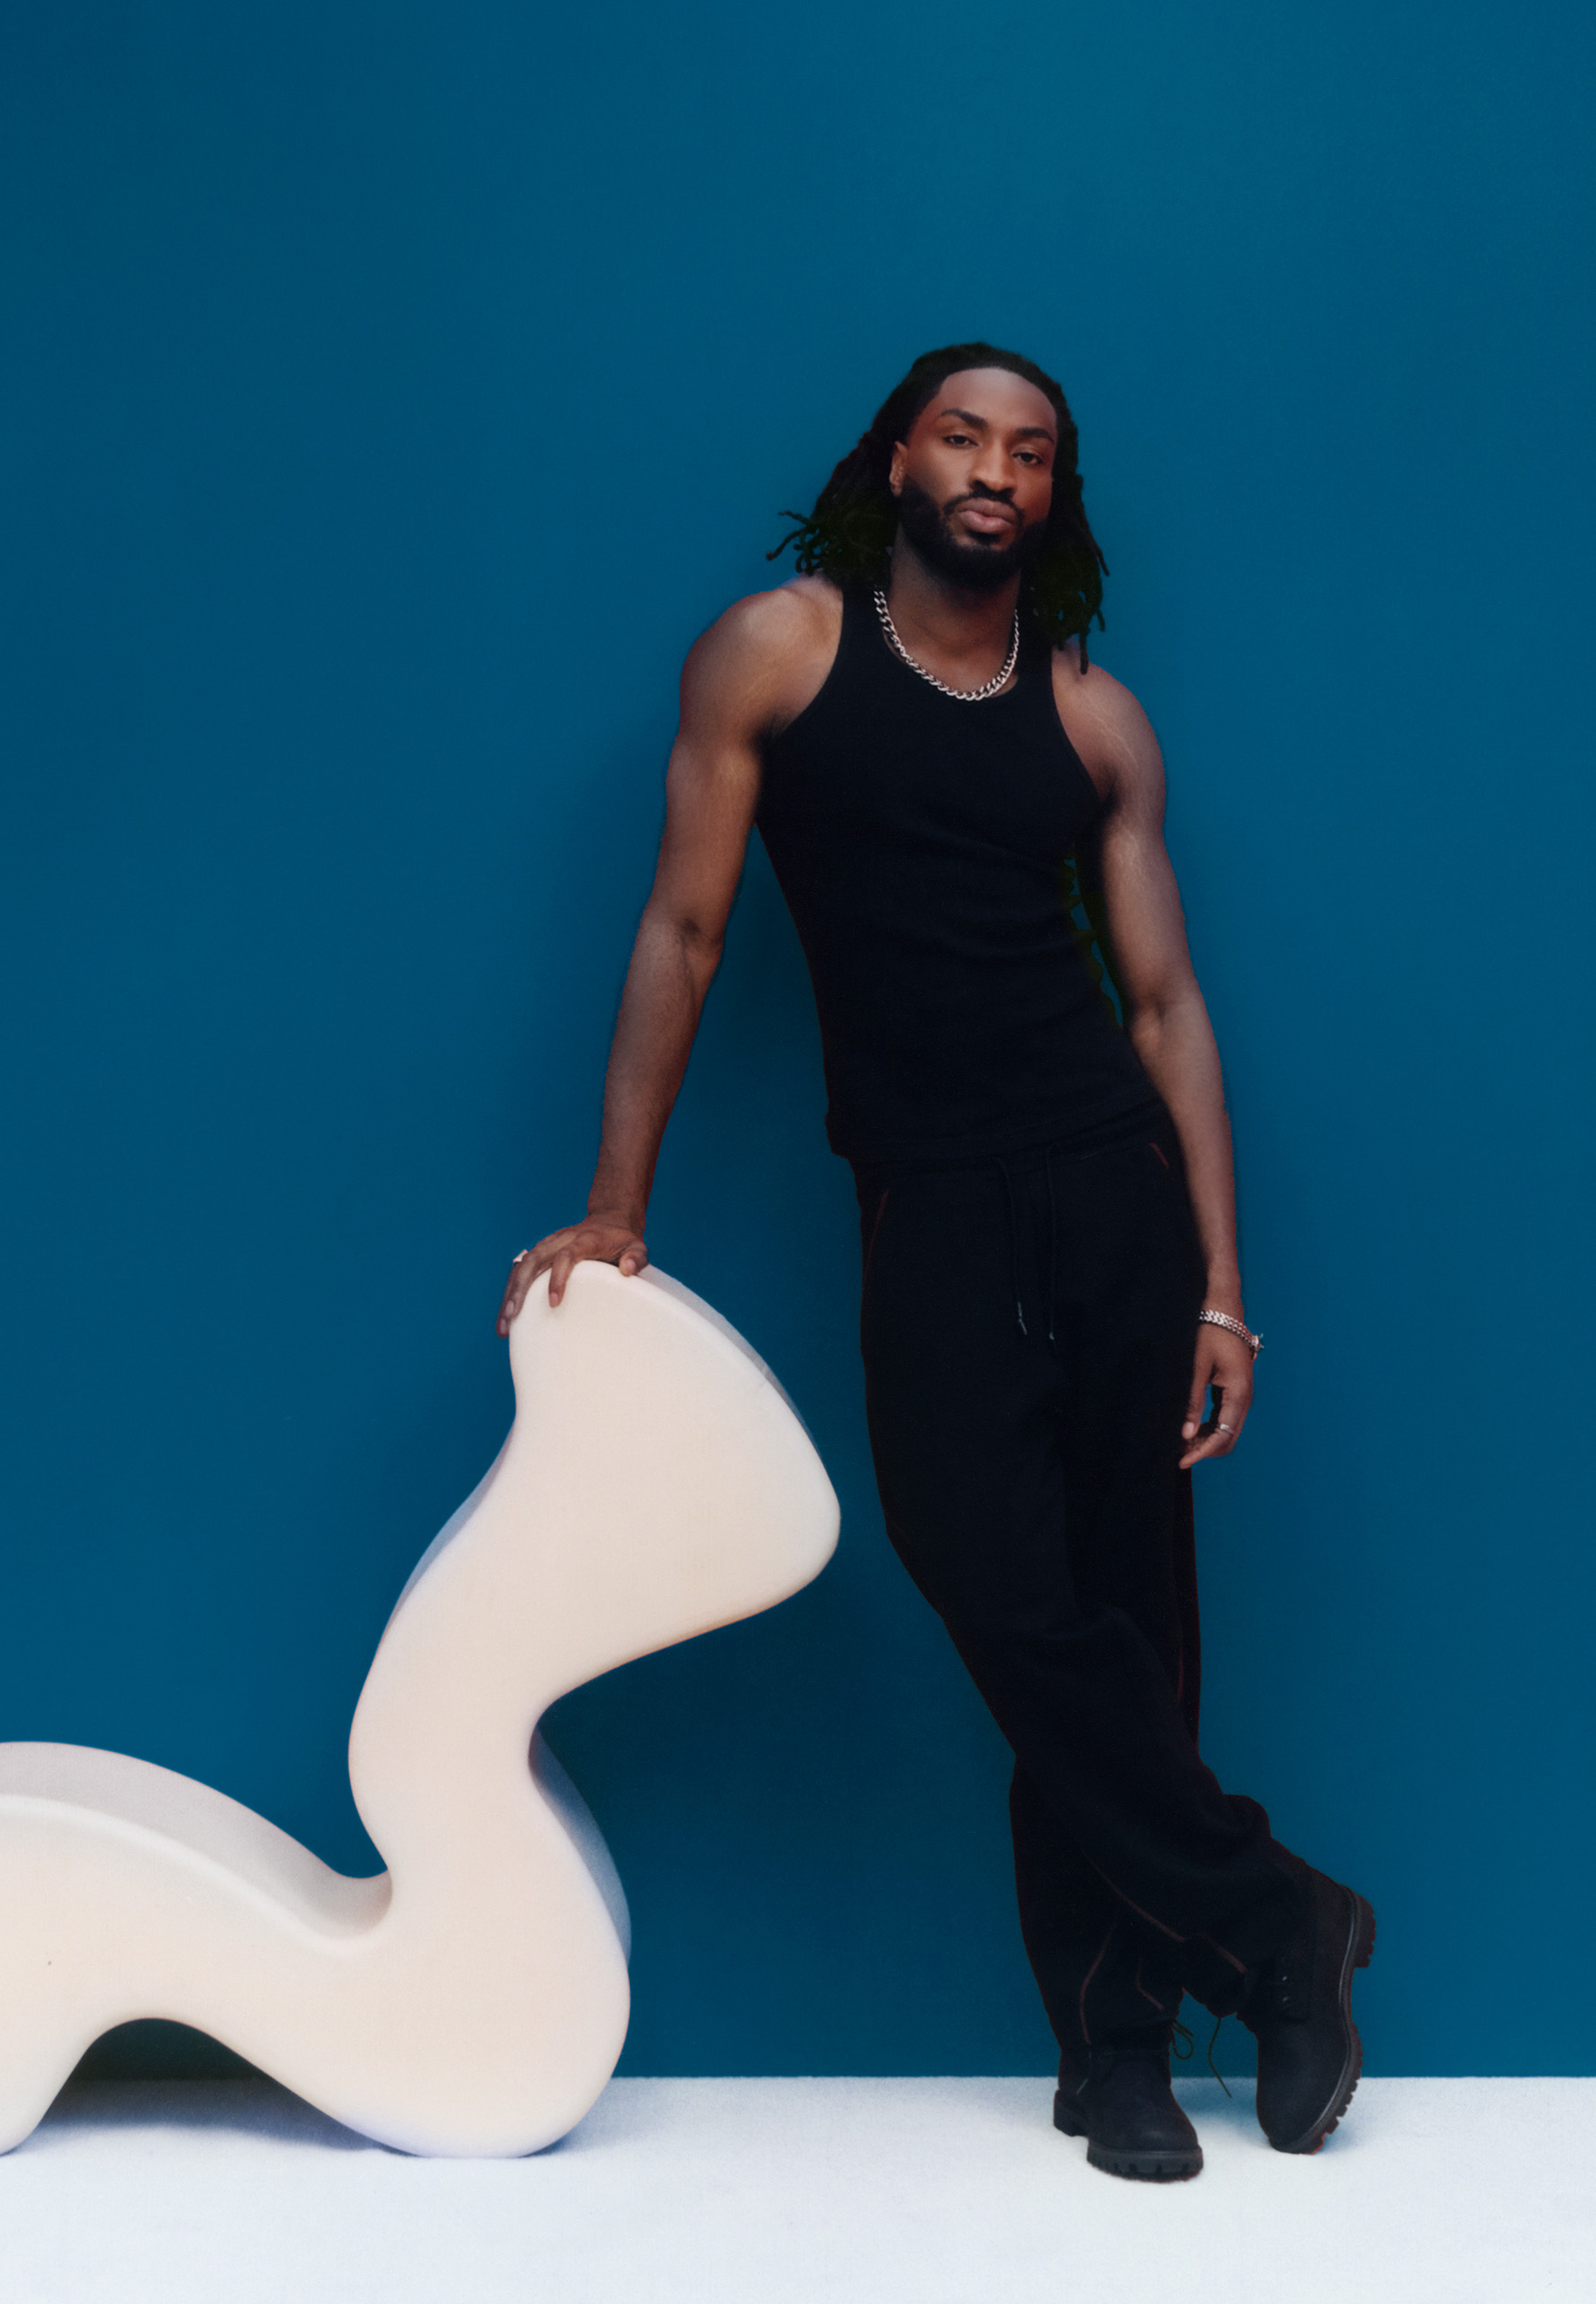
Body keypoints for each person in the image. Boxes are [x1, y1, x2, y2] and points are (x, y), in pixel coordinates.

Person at [500, 343, 1374, 2184]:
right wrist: (615, 1197)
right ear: (901, 458)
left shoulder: (1094, 720)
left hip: (1109, 1190)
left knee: (1134, 1620)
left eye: (1033, 453)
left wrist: (1222, 1286)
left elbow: (1164, 1004)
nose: (996, 470)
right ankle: (1281, 1913)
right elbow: (680, 927)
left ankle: (1118, 2052)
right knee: (988, 1569)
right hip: (931, 1196)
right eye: (966, 437)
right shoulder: (780, 657)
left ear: (1054, 500)